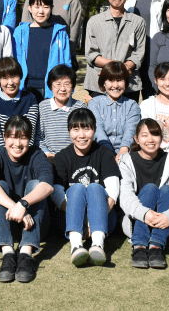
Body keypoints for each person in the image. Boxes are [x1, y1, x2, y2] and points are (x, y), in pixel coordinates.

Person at [0, 115, 54, 283]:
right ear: (5, 137)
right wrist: (16, 206)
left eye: (23, 138)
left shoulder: (36, 153)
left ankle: (26, 254)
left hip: (34, 225)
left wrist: (24, 203)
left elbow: (48, 184)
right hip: (3, 223)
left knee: (36, 184)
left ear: (29, 139)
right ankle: (8, 254)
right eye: (13, 137)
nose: (17, 144)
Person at [52, 108, 121, 267]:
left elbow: (112, 192)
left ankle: (97, 245)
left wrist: (92, 221)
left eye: (86, 128)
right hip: (70, 220)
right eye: (76, 129)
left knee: (95, 188)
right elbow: (56, 192)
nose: (81, 135)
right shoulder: (62, 157)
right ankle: (76, 247)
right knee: (77, 189)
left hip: (102, 219)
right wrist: (79, 218)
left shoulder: (104, 153)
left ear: (94, 130)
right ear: (69, 131)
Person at [119, 118, 169, 269]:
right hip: (137, 221)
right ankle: (139, 247)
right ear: (136, 139)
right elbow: (125, 196)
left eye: (155, 135)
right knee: (150, 188)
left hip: (166, 222)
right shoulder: (126, 160)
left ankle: (156, 246)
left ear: (161, 138)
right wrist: (145, 214)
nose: (150, 139)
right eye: (144, 135)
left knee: (168, 190)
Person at [84, 0, 146, 99]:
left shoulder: (138, 22)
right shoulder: (94, 22)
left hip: (129, 83)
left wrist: (123, 67)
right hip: (99, 83)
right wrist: (117, 67)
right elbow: (91, 54)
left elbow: (139, 53)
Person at [21, 0, 82, 68]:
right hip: (35, 58)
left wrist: (63, 57)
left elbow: (74, 35)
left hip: (62, 59)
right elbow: (25, 28)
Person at [12, 0, 72, 101]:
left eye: (45, 7)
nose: (41, 11)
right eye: (37, 7)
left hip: (52, 89)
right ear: (29, 8)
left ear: (51, 9)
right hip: (25, 88)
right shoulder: (20, 32)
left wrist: (68, 89)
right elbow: (14, 61)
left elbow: (66, 63)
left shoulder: (60, 32)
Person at [124, 0, 165, 99]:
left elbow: (163, 27)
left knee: (151, 92)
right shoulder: (126, 0)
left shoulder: (161, 1)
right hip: (131, 52)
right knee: (131, 92)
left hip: (152, 51)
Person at [0, 57, 40, 152]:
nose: (10, 82)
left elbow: (30, 132)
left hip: (24, 151)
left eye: (14, 76)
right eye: (5, 78)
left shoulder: (30, 98)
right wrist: (8, 157)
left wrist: (20, 153)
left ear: (20, 76)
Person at [87, 61, 141, 164]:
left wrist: (123, 150)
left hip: (127, 153)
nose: (115, 85)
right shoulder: (94, 103)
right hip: (100, 152)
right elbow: (97, 129)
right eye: (111, 80)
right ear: (104, 82)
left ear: (125, 81)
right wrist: (108, 152)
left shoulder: (132, 105)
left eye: (119, 80)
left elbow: (131, 130)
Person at [36, 65, 87, 160]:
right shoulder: (43, 107)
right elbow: (39, 137)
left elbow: (84, 135)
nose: (62, 89)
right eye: (58, 84)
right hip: (49, 157)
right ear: (51, 86)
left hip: (74, 157)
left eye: (67, 84)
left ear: (73, 86)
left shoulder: (80, 107)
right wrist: (47, 153)